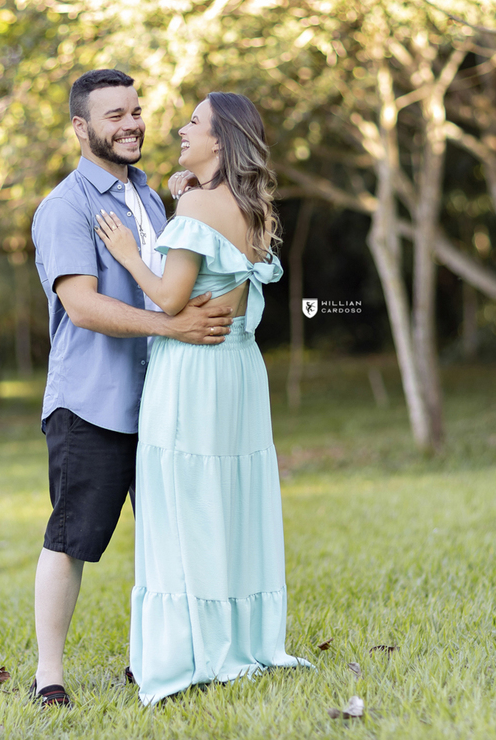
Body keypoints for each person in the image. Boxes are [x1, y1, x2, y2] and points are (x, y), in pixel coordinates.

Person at [95, 92, 311, 704]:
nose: (178, 129)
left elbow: (169, 299)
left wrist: (131, 256)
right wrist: (187, 187)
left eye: (193, 123)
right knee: (230, 501)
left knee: (184, 502)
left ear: (220, 140)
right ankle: (239, 637)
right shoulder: (248, 204)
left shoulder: (194, 203)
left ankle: (190, 647)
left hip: (191, 368)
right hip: (238, 368)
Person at [30, 69, 235, 708]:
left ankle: (157, 658)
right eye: (114, 114)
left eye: (137, 111)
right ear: (81, 127)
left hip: (162, 402)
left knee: (167, 534)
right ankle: (49, 677)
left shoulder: (149, 196)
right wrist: (173, 326)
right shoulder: (66, 207)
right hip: (90, 403)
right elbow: (84, 308)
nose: (131, 124)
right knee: (73, 538)